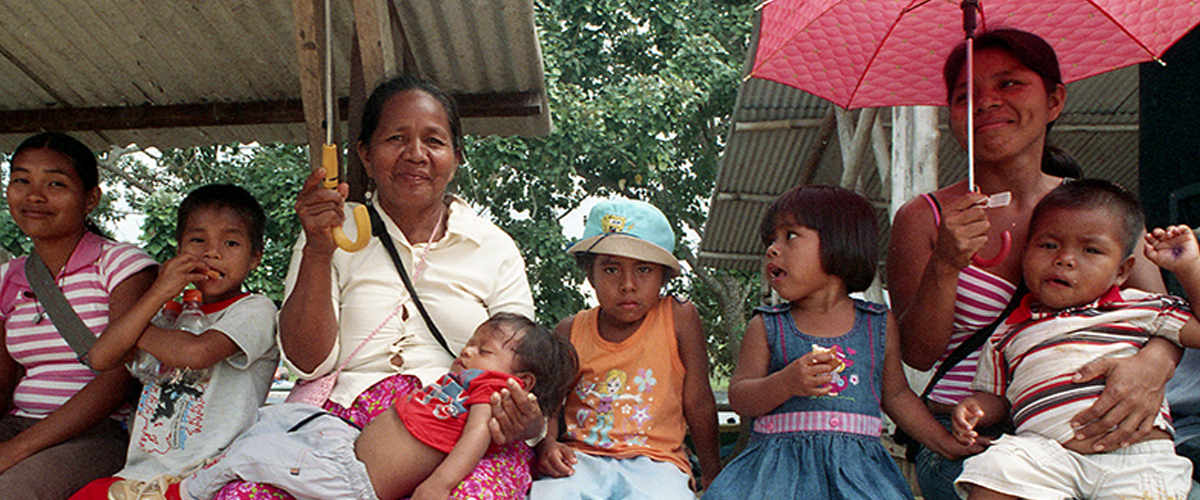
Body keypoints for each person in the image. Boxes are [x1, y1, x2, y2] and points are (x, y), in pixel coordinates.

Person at [213, 75, 544, 500]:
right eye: (396, 139)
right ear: (366, 156)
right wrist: (318, 250)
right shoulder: (331, 231)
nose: (416, 155)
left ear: (456, 157)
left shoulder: (494, 248)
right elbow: (307, 363)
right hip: (342, 428)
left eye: (434, 141)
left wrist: (527, 420)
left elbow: (521, 366)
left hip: (461, 433)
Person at [885, 28, 1180, 500]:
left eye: (1009, 84)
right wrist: (945, 263)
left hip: (1099, 423)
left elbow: (1161, 316)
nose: (985, 103)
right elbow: (917, 354)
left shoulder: (1102, 210)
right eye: (965, 95)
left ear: (1055, 100)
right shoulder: (924, 218)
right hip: (972, 437)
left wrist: (1152, 367)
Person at [950, 179, 1199, 499]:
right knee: (996, 468)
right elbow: (997, 397)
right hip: (1046, 454)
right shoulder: (1008, 332)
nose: (1065, 259)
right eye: (1049, 245)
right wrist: (975, 409)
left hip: (1136, 456)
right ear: (1025, 253)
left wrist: (1190, 268)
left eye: (1090, 250)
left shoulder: (1139, 307)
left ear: (1122, 271)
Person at [703, 185, 952, 499]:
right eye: (770, 240)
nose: (772, 249)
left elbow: (898, 395)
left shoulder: (877, 324)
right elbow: (740, 396)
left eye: (790, 236)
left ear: (841, 240)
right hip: (777, 477)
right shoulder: (767, 325)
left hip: (859, 476)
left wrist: (944, 442)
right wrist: (785, 383)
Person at [169, 313, 577, 500]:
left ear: (519, 382)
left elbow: (472, 442)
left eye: (482, 349)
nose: (467, 350)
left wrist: (436, 487)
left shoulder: (489, 394)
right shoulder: (462, 382)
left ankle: (186, 491)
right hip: (347, 447)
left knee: (257, 455)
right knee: (282, 416)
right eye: (471, 342)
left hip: (351, 482)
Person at [68, 184, 279, 500]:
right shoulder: (167, 315)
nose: (212, 252)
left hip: (210, 473)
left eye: (231, 242)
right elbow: (100, 357)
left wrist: (133, 325)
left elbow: (196, 353)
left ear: (255, 259)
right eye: (197, 240)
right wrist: (158, 294)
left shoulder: (255, 309)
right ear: (179, 248)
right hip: (140, 475)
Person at [0, 132, 158, 499]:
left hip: (99, 433)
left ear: (91, 198)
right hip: (19, 424)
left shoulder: (120, 265)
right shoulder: (10, 277)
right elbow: (4, 385)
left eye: (55, 183)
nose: (34, 195)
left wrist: (16, 450)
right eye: (21, 180)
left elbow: (121, 379)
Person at [530, 198, 722, 500]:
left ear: (664, 276)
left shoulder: (679, 318)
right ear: (589, 274)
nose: (628, 284)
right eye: (611, 270)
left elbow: (698, 401)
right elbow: (550, 405)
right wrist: (547, 446)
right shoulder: (570, 330)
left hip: (658, 463)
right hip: (582, 459)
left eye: (644, 269)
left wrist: (712, 474)